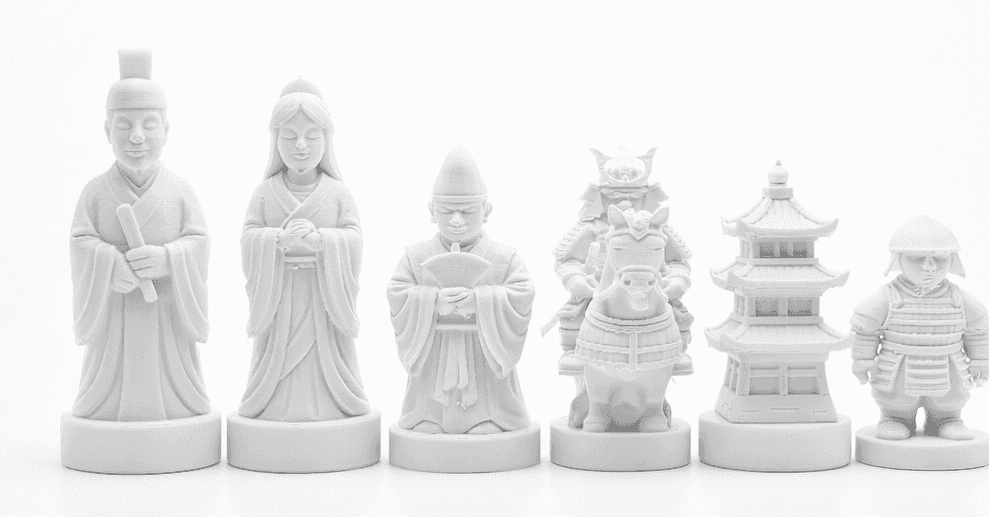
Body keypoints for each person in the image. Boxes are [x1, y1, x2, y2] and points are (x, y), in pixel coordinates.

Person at [70, 50, 212, 421]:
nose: (136, 137)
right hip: (114, 313)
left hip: (165, 311)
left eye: (149, 125)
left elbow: (198, 242)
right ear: (107, 131)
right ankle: (106, 409)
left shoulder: (180, 191)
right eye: (123, 126)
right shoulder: (95, 193)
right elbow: (80, 242)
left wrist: (169, 259)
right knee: (110, 370)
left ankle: (178, 407)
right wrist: (107, 263)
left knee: (172, 375)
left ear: (166, 130)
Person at [238, 79, 369, 421]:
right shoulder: (265, 193)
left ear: (326, 140)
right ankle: (272, 404)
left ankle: (332, 404)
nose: (300, 146)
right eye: (289, 136)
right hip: (280, 296)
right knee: (279, 354)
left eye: (311, 137)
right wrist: (276, 241)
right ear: (275, 140)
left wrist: (323, 241)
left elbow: (354, 238)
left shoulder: (337, 193)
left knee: (324, 355)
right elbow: (249, 236)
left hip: (323, 297)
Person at [387, 146, 534, 434]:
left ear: (487, 210)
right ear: (431, 211)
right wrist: (432, 301)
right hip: (434, 350)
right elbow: (397, 291)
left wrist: (481, 301)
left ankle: (491, 416)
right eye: (446, 211)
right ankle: (427, 415)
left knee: (489, 403)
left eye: (467, 211)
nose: (456, 220)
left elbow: (523, 292)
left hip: (484, 354)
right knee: (427, 415)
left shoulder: (504, 257)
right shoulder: (416, 256)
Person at [551, 147, 693, 375]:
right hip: (600, 289)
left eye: (634, 197)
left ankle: (675, 353)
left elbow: (678, 262)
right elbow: (567, 259)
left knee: (680, 317)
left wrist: (677, 280)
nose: (626, 203)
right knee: (573, 317)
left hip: (652, 289)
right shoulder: (592, 227)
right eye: (616, 196)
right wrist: (575, 279)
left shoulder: (657, 228)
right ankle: (576, 353)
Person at [850, 216, 989, 440]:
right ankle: (894, 419)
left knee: (949, 400)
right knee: (897, 400)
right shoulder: (887, 297)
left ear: (953, 259)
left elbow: (979, 330)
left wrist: (981, 360)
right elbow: (865, 329)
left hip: (948, 365)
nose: (929, 267)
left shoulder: (959, 299)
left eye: (939, 258)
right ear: (898, 259)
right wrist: (863, 359)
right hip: (899, 366)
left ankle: (948, 420)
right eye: (917, 258)